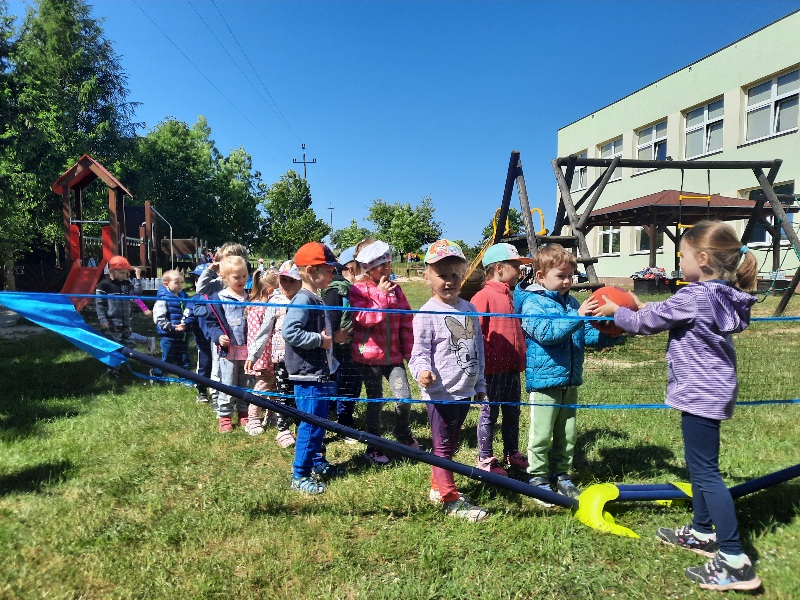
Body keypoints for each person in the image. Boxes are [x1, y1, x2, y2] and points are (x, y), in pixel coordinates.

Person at [596, 221, 760, 591]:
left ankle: (735, 561)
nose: (679, 262)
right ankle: (702, 532)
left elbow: (645, 324)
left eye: (682, 255)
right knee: (700, 467)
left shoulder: (695, 296)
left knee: (706, 473)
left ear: (702, 259)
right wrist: (641, 303)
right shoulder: (722, 295)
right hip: (714, 390)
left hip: (699, 392)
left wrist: (617, 310)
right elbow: (669, 311)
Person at [514, 244, 620, 503]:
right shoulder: (532, 304)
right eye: (561, 276)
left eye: (570, 276)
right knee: (541, 435)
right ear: (541, 276)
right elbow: (547, 334)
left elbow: (587, 334)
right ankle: (537, 478)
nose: (567, 281)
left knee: (567, 434)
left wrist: (615, 331)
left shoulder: (571, 302)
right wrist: (577, 316)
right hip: (544, 382)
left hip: (570, 380)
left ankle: (562, 475)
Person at [409, 240, 489, 522]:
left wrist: (480, 384)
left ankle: (437, 487)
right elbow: (418, 354)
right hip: (440, 392)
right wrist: (422, 372)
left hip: (464, 389)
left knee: (450, 443)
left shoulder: (470, 309)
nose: (449, 281)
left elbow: (478, 349)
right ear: (427, 277)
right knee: (442, 446)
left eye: (455, 275)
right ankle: (450, 499)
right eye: (442, 275)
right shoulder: (426, 314)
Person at [282, 242, 350, 494]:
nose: (334, 274)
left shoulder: (315, 297)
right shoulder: (303, 299)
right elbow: (290, 332)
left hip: (320, 374)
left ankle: (317, 461)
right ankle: (300, 474)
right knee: (310, 426)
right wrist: (320, 341)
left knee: (319, 423)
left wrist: (334, 340)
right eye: (329, 270)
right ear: (311, 271)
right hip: (308, 376)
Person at [350, 240, 418, 465]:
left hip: (394, 357)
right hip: (369, 358)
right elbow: (364, 319)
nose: (387, 269)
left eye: (388, 264)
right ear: (369, 268)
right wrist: (379, 295)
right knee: (375, 401)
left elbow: (406, 321)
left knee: (404, 398)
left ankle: (402, 432)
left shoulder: (396, 290)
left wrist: (409, 351)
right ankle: (374, 445)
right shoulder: (358, 290)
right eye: (381, 266)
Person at [471, 243, 531, 476]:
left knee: (512, 412)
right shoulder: (483, 297)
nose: (519, 270)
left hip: (511, 369)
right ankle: (485, 457)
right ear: (499, 268)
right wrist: (489, 357)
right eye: (515, 266)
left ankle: (511, 452)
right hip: (492, 371)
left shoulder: (510, 296)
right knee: (490, 414)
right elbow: (475, 334)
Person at [196, 243, 249, 411]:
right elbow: (200, 289)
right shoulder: (218, 282)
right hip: (221, 334)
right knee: (218, 366)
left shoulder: (244, 283)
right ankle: (216, 397)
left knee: (241, 371)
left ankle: (241, 403)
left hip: (240, 337)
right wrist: (210, 269)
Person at [321, 246, 360, 438]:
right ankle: (344, 423)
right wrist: (334, 337)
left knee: (349, 384)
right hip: (340, 348)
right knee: (345, 385)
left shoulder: (350, 288)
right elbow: (330, 317)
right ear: (352, 269)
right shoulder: (337, 290)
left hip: (351, 347)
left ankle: (340, 416)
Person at [266, 260, 304, 448]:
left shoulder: (306, 300)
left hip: (302, 358)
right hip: (280, 358)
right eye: (283, 280)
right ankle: (282, 428)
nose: (287, 285)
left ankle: (300, 425)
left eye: (292, 280)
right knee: (283, 393)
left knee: (299, 394)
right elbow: (264, 329)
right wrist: (254, 355)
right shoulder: (275, 301)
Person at [95, 255, 145, 377]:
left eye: (126, 273)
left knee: (130, 344)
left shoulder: (126, 284)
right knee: (114, 347)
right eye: (122, 273)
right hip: (111, 323)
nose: (124, 276)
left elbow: (137, 294)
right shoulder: (104, 285)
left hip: (126, 322)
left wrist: (138, 278)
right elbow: (99, 304)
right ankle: (112, 371)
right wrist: (103, 319)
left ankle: (117, 366)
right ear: (112, 271)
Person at [243, 269, 279, 436]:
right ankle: (253, 419)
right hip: (263, 356)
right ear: (271, 290)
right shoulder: (258, 308)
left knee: (274, 387)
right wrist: (260, 358)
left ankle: (271, 415)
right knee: (262, 388)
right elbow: (256, 336)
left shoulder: (267, 306)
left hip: (273, 355)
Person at [151, 270, 195, 381]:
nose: (180, 285)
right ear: (166, 283)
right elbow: (159, 317)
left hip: (183, 334)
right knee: (168, 359)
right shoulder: (163, 298)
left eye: (182, 282)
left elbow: (188, 311)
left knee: (184, 358)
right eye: (176, 282)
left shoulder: (183, 296)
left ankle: (184, 378)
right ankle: (156, 374)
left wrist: (187, 324)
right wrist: (171, 327)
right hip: (169, 335)